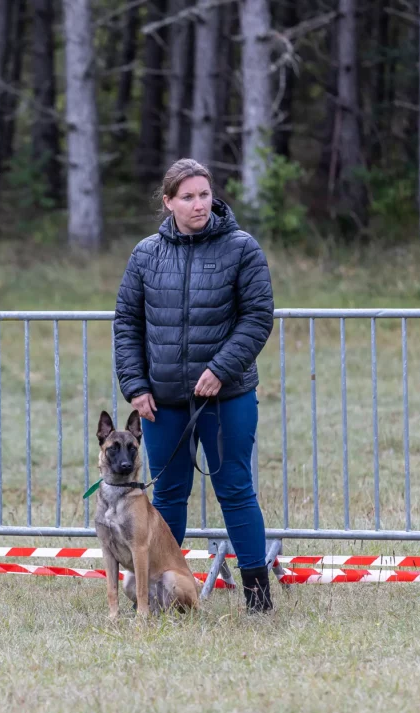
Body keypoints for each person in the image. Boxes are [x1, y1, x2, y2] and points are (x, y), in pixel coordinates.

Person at [113, 158, 275, 612]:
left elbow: (258, 316)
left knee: (236, 491)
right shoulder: (145, 254)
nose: (199, 203)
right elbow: (126, 321)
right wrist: (135, 384)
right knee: (167, 497)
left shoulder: (241, 248)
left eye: (204, 194)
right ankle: (159, 595)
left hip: (228, 397)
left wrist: (222, 367)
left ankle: (258, 598)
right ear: (168, 203)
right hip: (162, 402)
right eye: (188, 196)